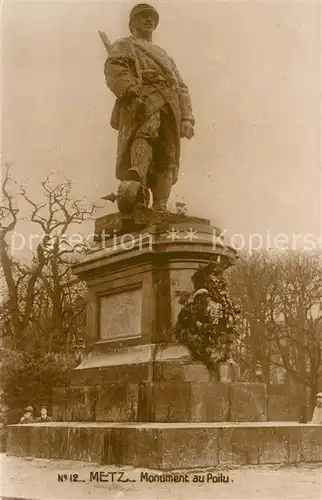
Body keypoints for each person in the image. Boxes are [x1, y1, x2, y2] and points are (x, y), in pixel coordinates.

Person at [104, 3, 195, 212]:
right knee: (145, 135)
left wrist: (187, 117)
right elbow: (114, 68)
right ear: (132, 23)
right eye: (143, 17)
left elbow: (180, 86)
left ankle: (161, 205)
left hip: (170, 106)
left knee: (168, 153)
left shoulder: (163, 54)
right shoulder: (124, 45)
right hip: (143, 99)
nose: (149, 20)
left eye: (152, 18)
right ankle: (138, 192)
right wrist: (130, 89)